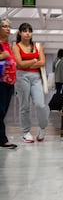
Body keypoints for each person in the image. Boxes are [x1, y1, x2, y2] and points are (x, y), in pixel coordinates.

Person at [12, 22, 48, 143]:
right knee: (24, 106)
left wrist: (28, 62)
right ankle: (26, 132)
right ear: (20, 33)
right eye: (25, 31)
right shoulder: (16, 47)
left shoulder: (38, 45)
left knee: (40, 104)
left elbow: (42, 62)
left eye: (30, 31)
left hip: (36, 77)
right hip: (21, 77)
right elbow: (19, 64)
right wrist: (34, 60)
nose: (28, 33)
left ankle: (42, 128)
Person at [0, 18, 17, 149]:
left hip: (8, 84)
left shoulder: (8, 45)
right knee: (0, 111)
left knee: (3, 111)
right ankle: (2, 139)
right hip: (1, 83)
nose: (8, 28)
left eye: (8, 26)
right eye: (4, 26)